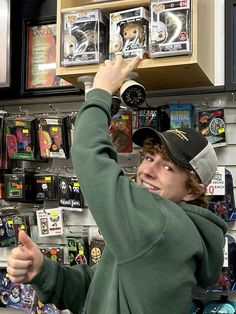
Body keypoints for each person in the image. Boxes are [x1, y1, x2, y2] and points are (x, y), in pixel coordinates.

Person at [7, 55, 228, 314]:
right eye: (148, 157)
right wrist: (43, 271)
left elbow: (90, 157)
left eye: (167, 167)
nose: (147, 171)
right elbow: (97, 291)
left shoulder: (164, 226)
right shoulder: (154, 232)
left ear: (193, 191)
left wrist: (99, 92)